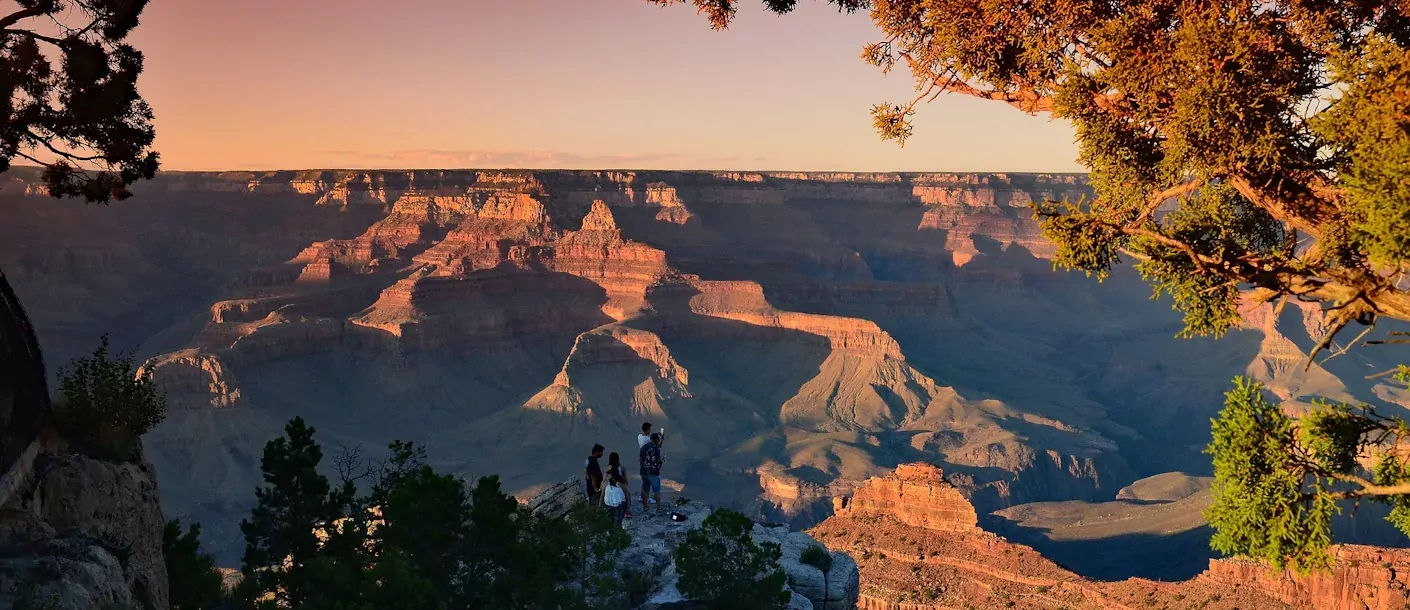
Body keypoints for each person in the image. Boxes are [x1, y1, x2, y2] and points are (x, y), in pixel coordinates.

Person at [639, 432, 663, 515]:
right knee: (657, 491)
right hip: (653, 473)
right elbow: (657, 461)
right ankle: (659, 508)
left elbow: (641, 459)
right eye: (658, 439)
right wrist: (661, 463)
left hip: (644, 472)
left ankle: (645, 506)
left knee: (645, 489)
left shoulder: (643, 448)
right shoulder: (655, 449)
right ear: (655, 439)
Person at [607, 452, 633, 519]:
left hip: (611, 484)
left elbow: (605, 478)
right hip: (620, 483)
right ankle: (627, 511)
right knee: (627, 496)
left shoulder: (608, 467)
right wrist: (626, 485)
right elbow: (625, 478)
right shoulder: (621, 467)